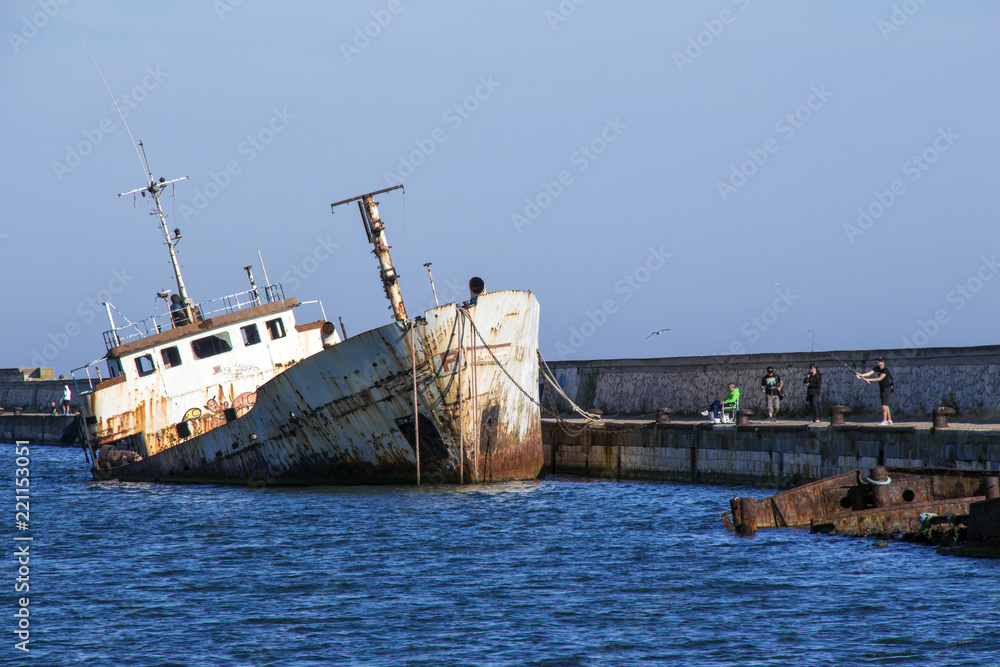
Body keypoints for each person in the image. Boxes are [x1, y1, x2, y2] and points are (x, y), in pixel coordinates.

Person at [857, 358, 893, 424]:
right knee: (886, 404)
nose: (878, 362)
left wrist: (869, 380)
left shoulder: (885, 370)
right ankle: (889, 420)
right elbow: (868, 373)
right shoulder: (877, 368)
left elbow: (879, 379)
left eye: (879, 361)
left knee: (884, 405)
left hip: (887, 388)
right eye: (878, 360)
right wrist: (861, 375)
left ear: (883, 363)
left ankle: (884, 421)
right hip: (882, 388)